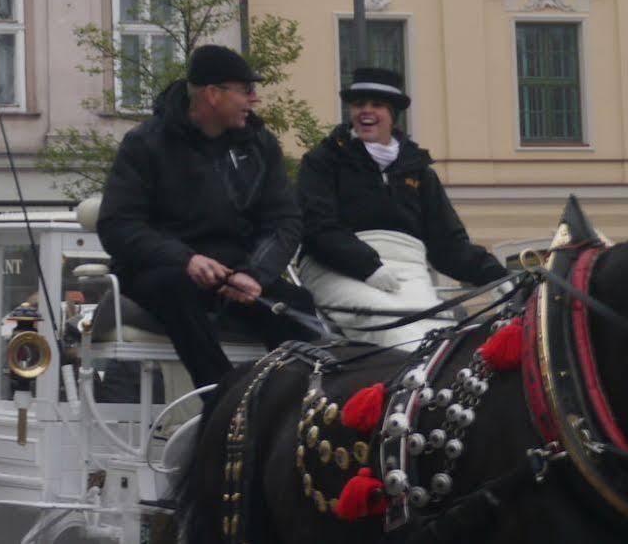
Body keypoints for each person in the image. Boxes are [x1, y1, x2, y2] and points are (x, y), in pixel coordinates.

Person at [97, 44, 326, 390]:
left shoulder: (259, 146)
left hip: (235, 273)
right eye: (246, 90)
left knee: (297, 307)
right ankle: (223, 397)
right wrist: (185, 259)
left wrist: (256, 274)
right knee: (177, 292)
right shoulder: (145, 144)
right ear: (213, 94)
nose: (254, 99)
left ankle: (299, 400)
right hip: (160, 270)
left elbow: (284, 220)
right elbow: (117, 225)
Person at [297, 67, 507, 344]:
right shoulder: (323, 160)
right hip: (335, 269)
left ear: (393, 114)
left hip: (407, 271)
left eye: (378, 105)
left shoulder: (418, 170)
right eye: (359, 104)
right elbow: (317, 225)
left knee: (435, 335)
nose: (366, 112)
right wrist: (367, 266)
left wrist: (496, 276)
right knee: (387, 323)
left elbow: (447, 244)